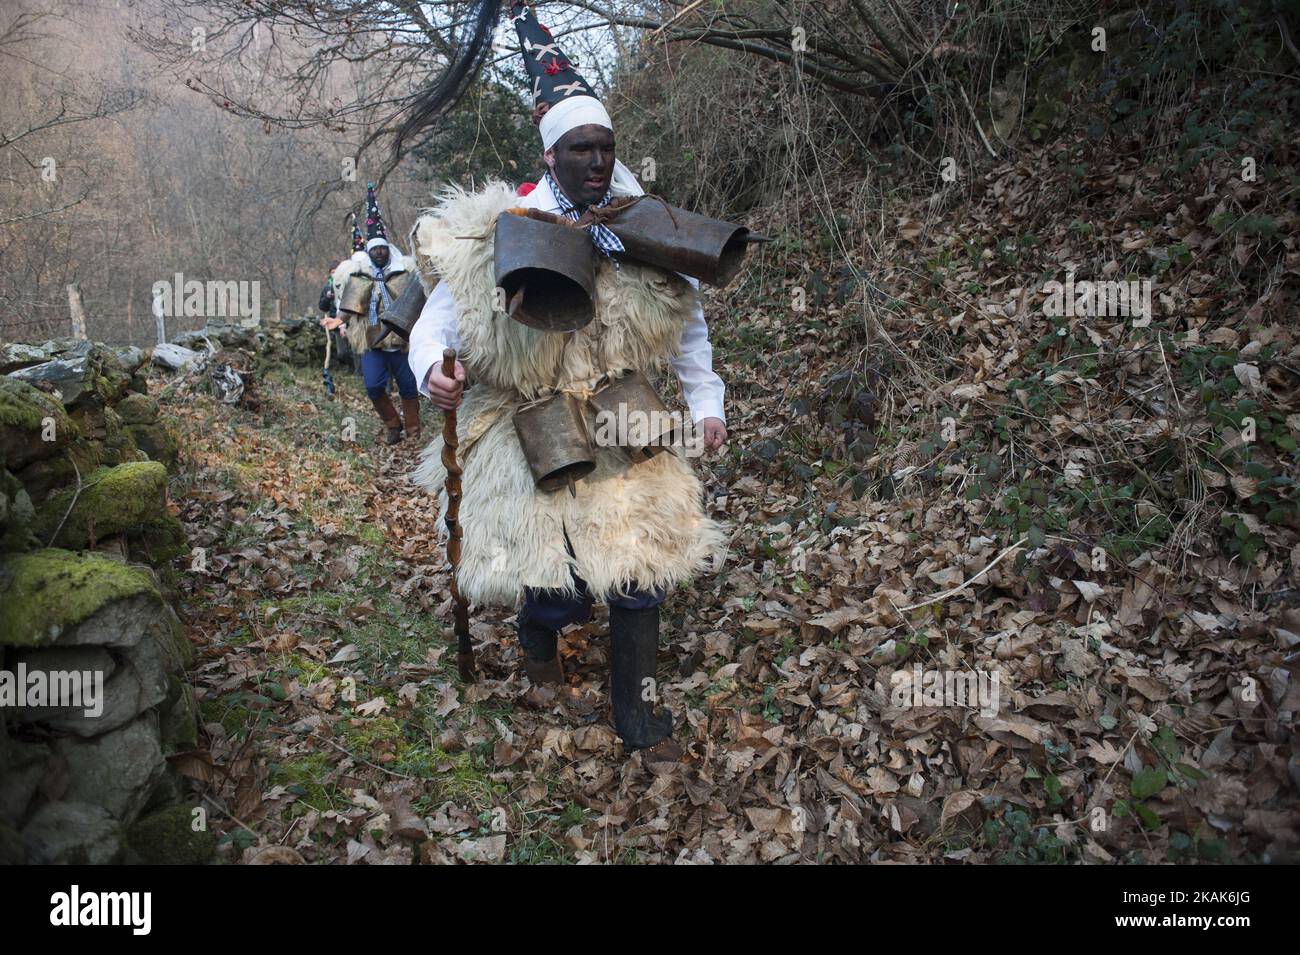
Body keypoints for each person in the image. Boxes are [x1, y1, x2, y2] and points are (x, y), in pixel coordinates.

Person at [406, 2, 732, 759]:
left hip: (625, 414)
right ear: (550, 155)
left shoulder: (641, 226)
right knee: (559, 584)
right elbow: (436, 323)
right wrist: (432, 372)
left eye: (605, 148)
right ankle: (539, 632)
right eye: (580, 149)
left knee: (639, 570)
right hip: (529, 421)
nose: (596, 162)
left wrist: (707, 403)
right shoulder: (504, 228)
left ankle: (639, 721)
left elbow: (691, 330)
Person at [334, 185, 421, 444]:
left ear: (387, 249)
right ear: (370, 252)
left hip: (401, 342)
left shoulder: (404, 273)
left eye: (382, 249)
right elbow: (349, 307)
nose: (379, 253)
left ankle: (414, 431)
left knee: (408, 387)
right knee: (373, 386)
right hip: (373, 342)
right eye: (375, 250)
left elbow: (417, 302)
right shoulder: (360, 276)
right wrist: (337, 320)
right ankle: (393, 425)